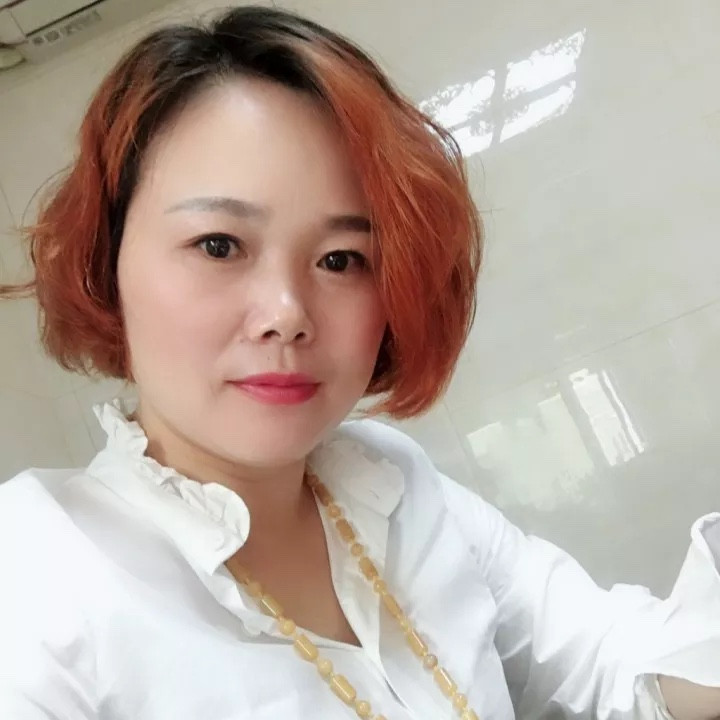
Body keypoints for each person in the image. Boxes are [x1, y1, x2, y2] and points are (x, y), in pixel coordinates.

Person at [0, 6, 718, 720]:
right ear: (107, 263)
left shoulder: (393, 486)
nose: (287, 311)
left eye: (341, 259)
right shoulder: (34, 572)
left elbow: (609, 666)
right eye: (219, 245)